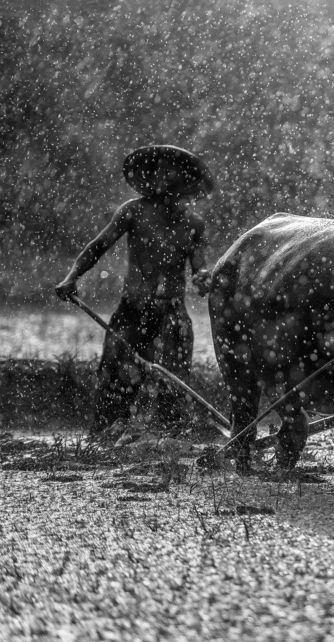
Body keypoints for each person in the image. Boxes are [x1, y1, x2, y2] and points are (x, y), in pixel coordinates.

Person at [54, 145, 214, 436]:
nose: (164, 179)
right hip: (133, 311)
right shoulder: (133, 211)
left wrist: (204, 278)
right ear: (149, 177)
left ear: (183, 182)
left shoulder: (193, 224)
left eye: (171, 173)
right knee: (115, 379)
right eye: (159, 172)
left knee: (173, 384)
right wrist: (71, 277)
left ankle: (167, 440)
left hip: (172, 315)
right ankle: (105, 435)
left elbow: (200, 266)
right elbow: (98, 246)